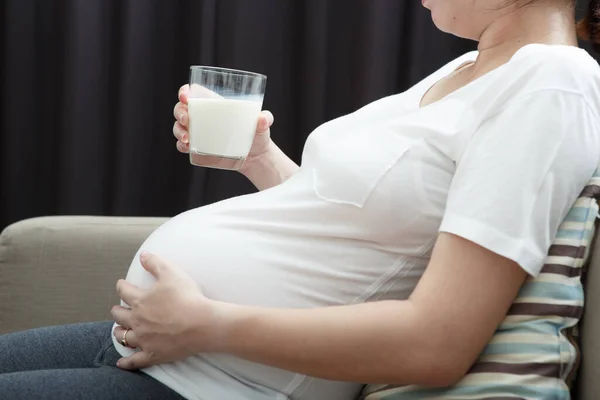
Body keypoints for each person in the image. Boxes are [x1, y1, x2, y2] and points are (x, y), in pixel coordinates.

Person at [2, 0, 600, 399]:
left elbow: (438, 342)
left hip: (224, 382)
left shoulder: (552, 82)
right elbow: (360, 227)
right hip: (167, 352)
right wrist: (256, 158)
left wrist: (209, 325)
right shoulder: (471, 67)